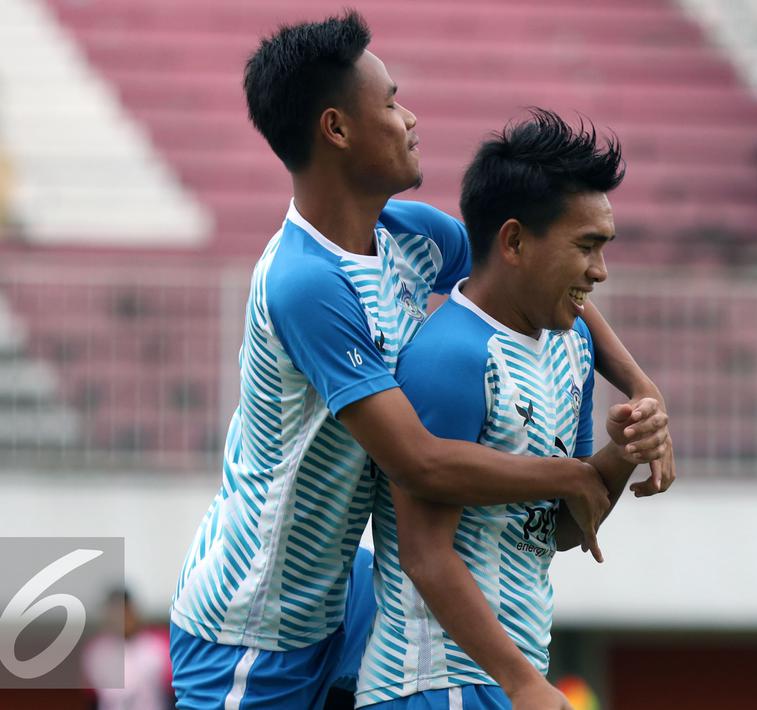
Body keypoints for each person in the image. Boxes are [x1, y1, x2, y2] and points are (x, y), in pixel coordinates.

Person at [169, 13, 672, 709]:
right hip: (255, 621)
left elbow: (540, 276)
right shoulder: (304, 281)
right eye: (391, 103)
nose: (410, 118)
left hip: (343, 599)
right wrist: (573, 475)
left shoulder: (414, 237)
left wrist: (640, 387)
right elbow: (418, 462)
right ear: (337, 129)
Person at [354, 110, 646, 710]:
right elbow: (425, 554)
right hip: (433, 684)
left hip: (511, 676)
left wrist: (623, 455)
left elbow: (559, 528)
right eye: (585, 246)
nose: (600, 270)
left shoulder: (572, 344)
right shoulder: (449, 357)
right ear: (513, 241)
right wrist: (522, 684)